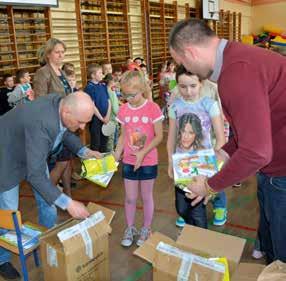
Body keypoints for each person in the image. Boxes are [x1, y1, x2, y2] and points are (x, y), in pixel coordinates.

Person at [169, 18, 286, 263]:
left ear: (190, 52)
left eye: (182, 62)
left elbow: (256, 152)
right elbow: (249, 130)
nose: (184, 67)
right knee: (273, 247)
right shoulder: (237, 58)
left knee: (281, 259)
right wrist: (222, 153)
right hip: (274, 167)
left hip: (281, 173)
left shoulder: (237, 74)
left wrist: (210, 186)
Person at [0, 92, 101, 279]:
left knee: (49, 201)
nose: (82, 127)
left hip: (31, 152)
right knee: (8, 212)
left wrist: (83, 150)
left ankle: (48, 243)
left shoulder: (61, 103)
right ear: (67, 111)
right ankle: (2, 259)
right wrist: (68, 203)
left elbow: (63, 132)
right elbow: (35, 175)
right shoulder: (41, 122)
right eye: (80, 122)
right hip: (6, 157)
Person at [167, 65, 225, 229]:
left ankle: (200, 245)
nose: (188, 91)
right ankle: (193, 237)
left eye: (193, 86)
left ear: (201, 83)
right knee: (182, 208)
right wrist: (171, 162)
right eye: (183, 86)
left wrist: (212, 169)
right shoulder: (175, 107)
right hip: (182, 166)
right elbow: (171, 137)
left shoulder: (209, 105)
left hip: (203, 167)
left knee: (197, 212)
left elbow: (221, 140)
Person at [114, 70, 163, 247]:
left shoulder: (153, 108)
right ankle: (130, 228)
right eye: (124, 94)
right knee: (130, 197)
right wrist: (116, 153)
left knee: (146, 196)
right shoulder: (124, 109)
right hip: (129, 160)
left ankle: (146, 228)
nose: (127, 98)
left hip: (148, 160)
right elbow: (122, 136)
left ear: (142, 89)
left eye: (131, 95)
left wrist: (143, 153)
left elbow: (159, 136)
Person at [170, 112, 208, 228]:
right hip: (181, 183)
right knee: (181, 209)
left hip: (197, 183)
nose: (185, 136)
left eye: (190, 132)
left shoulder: (201, 149)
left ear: (196, 134)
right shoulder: (176, 144)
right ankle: (190, 229)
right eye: (183, 131)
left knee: (198, 213)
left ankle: (201, 238)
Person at [84, 63, 111, 152]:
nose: (102, 75)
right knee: (96, 143)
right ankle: (95, 163)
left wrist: (107, 116)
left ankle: (104, 164)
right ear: (93, 75)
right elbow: (92, 106)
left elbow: (108, 101)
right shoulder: (89, 88)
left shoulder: (103, 86)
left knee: (104, 142)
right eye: (99, 73)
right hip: (96, 120)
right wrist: (101, 118)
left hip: (105, 118)